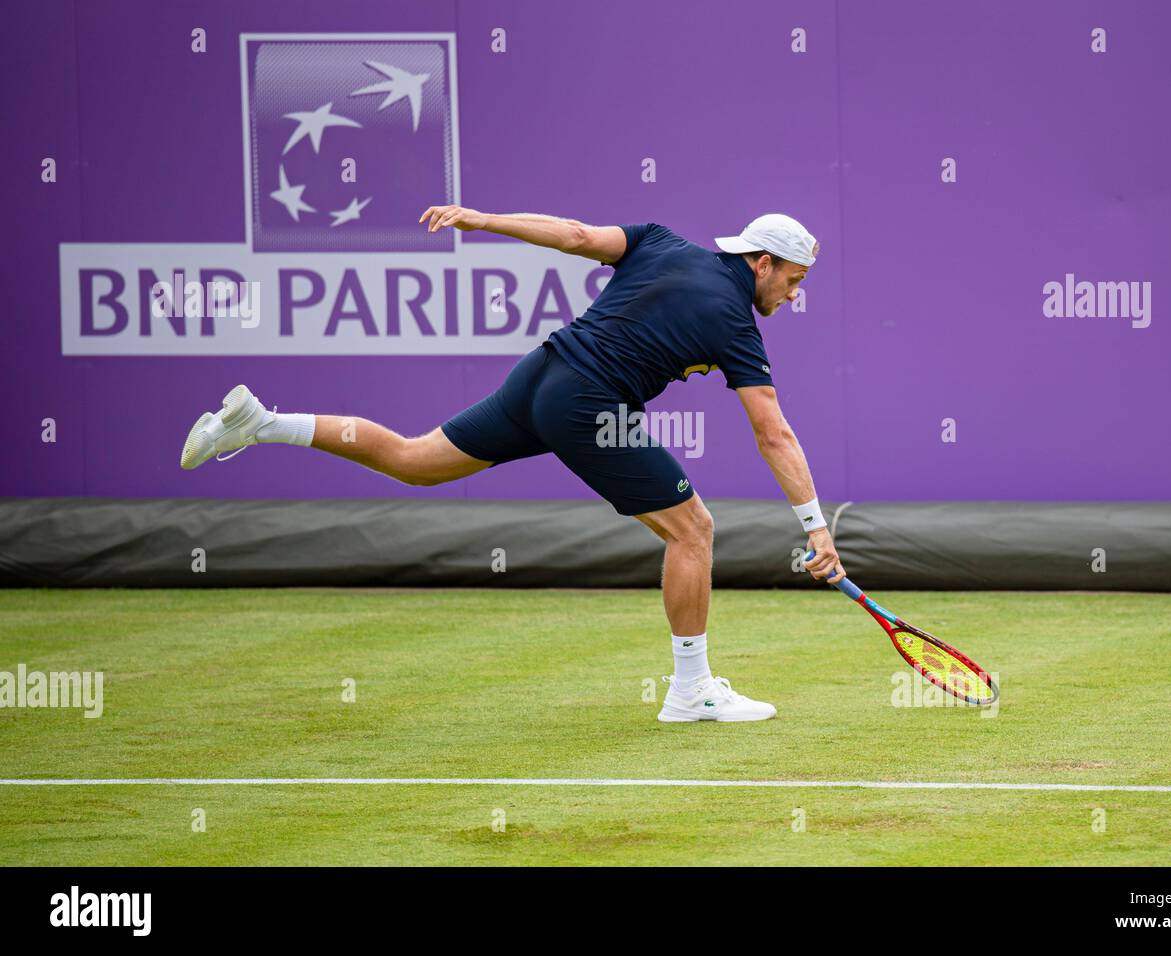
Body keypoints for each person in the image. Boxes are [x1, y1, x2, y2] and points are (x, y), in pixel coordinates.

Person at [180, 209, 845, 722]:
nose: (794, 294)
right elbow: (773, 433)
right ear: (762, 263)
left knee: (416, 461)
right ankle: (692, 690)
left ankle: (263, 423)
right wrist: (816, 529)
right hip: (588, 402)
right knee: (692, 529)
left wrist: (481, 220)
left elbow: (574, 235)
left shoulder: (661, 241)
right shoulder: (735, 322)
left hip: (542, 374)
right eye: (794, 280)